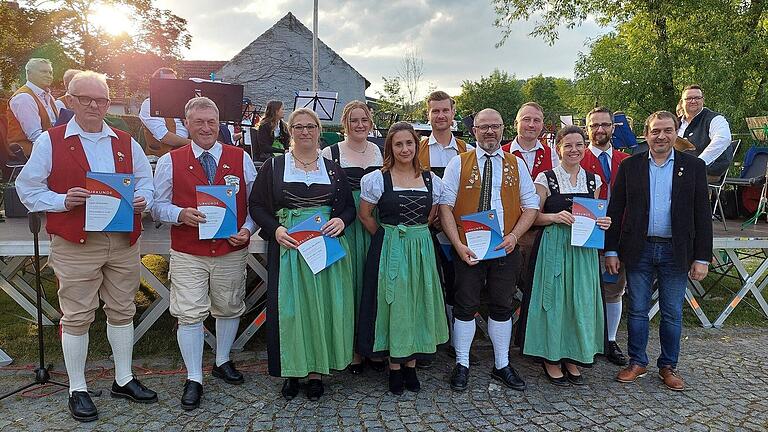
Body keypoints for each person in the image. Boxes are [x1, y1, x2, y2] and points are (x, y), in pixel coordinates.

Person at [15, 71, 157, 422]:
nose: (95, 105)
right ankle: (77, 387)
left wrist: (143, 199)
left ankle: (123, 378)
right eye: (86, 98)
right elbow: (26, 188)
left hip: (122, 239)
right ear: (71, 100)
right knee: (77, 315)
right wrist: (62, 200)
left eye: (102, 100)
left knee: (123, 309)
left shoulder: (126, 140)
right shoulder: (52, 140)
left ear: (109, 103)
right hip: (76, 241)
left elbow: (147, 182)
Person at [151, 96, 256, 410]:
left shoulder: (241, 158)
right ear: (187, 124)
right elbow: (157, 206)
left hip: (230, 248)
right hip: (189, 250)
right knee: (189, 312)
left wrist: (248, 229)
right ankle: (194, 376)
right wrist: (181, 214)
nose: (207, 128)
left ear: (219, 123)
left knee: (229, 306)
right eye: (199, 122)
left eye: (212, 122)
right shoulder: (172, 159)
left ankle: (222, 360)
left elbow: (255, 206)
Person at [249, 108, 356, 401]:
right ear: (290, 131)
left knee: (322, 309)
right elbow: (256, 205)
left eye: (310, 126)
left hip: (324, 246)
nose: (305, 131)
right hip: (290, 247)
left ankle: (316, 372)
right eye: (298, 126)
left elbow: (348, 207)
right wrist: (275, 230)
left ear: (319, 131)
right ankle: (293, 370)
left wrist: (341, 221)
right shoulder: (274, 166)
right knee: (292, 310)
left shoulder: (332, 168)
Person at [606, 111, 712, 391]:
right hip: (639, 248)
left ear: (676, 133)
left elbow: (703, 214)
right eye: (656, 131)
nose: (661, 136)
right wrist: (611, 251)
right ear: (647, 134)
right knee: (638, 310)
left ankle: (668, 366)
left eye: (667, 130)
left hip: (676, 250)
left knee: (672, 312)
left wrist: (702, 257)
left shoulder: (694, 166)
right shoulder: (630, 166)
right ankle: (637, 361)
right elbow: (616, 209)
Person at [439, 108, 539, 392]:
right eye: (483, 127)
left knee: (502, 306)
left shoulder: (516, 164)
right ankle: (462, 364)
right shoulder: (459, 163)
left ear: (503, 129)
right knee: (465, 305)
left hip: (504, 248)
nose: (489, 132)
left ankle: (502, 364)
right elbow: (445, 206)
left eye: (495, 126)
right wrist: (457, 244)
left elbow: (531, 205)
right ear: (474, 131)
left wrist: (514, 236)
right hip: (468, 248)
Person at [357, 122, 449, 395]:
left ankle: (411, 364)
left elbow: (436, 214)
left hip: (421, 249)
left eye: (409, 143)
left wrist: (417, 235)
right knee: (392, 304)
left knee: (417, 301)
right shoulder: (377, 179)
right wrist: (386, 237)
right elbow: (365, 215)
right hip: (389, 247)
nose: (405, 149)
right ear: (390, 148)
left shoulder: (432, 180)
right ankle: (394, 366)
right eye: (398, 144)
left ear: (416, 145)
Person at [518, 125, 611, 386]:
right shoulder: (545, 179)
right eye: (568, 145)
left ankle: (573, 354)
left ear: (585, 147)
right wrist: (554, 216)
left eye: (579, 145)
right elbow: (531, 215)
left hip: (582, 249)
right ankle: (551, 356)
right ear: (557, 148)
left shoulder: (594, 180)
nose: (574, 150)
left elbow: (594, 214)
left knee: (579, 300)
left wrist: (603, 222)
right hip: (554, 245)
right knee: (554, 300)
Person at [320, 100, 385, 374]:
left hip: (374, 219)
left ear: (370, 123)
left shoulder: (381, 150)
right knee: (350, 285)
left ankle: (376, 345)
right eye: (354, 120)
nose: (360, 125)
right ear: (344, 124)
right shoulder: (330, 152)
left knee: (376, 283)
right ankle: (353, 350)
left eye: (364, 120)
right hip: (345, 221)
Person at [418, 91, 471, 366]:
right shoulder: (417, 149)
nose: (440, 116)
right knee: (425, 284)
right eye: (435, 111)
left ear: (453, 114)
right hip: (425, 228)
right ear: (428, 115)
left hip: (455, 230)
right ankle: (427, 340)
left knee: (455, 284)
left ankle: (454, 340)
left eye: (445, 111)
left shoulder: (468, 150)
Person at [581, 107, 630, 366]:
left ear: (613, 127)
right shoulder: (577, 156)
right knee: (583, 288)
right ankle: (586, 338)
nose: (600, 130)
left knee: (614, 289)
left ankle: (610, 340)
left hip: (618, 235)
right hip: (586, 234)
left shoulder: (627, 160)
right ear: (587, 128)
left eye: (605, 125)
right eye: (594, 125)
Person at [677, 85, 733, 182]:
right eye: (689, 98)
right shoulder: (675, 123)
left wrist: (699, 163)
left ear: (702, 100)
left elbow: (723, 139)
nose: (693, 101)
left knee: (675, 180)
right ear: (682, 102)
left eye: (697, 98)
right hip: (679, 170)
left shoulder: (715, 119)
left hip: (707, 172)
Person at [6, 58, 58, 157]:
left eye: (50, 72)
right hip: (27, 151)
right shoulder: (24, 97)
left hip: (46, 145)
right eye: (43, 72)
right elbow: (35, 136)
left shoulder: (48, 96)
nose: (48, 75)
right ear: (29, 74)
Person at [139, 67, 191, 157]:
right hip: (165, 155)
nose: (173, 86)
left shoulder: (182, 104)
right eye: (167, 83)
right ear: (157, 86)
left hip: (187, 151)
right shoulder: (150, 104)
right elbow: (164, 137)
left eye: (175, 83)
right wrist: (194, 144)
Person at [501, 102, 559, 179]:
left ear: (542, 125)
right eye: (526, 119)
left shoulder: (551, 154)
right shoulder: (501, 154)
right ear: (516, 124)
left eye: (536, 120)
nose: (531, 125)